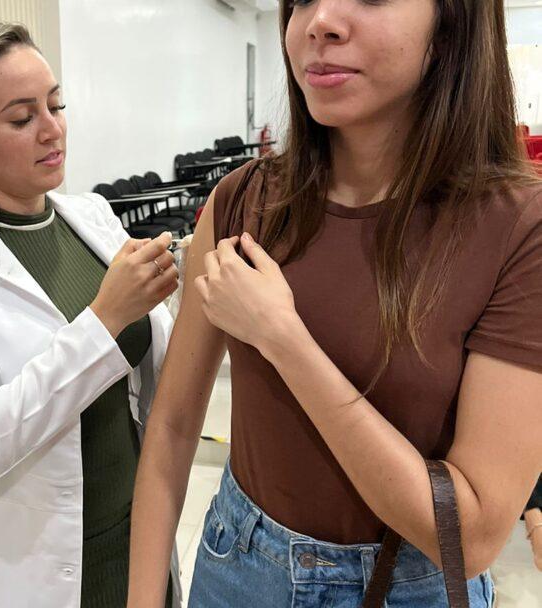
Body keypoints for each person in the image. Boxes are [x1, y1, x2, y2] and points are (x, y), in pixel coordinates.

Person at [128, 1, 542, 607]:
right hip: (238, 567)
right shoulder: (243, 200)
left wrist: (282, 338)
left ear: (453, 19)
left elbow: (470, 536)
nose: (320, 20)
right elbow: (171, 428)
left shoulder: (516, 228)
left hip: (411, 587)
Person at [0, 22, 181, 608]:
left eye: (56, 105)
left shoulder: (91, 218)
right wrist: (104, 318)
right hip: (33, 566)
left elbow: (153, 372)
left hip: (136, 534)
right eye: (22, 118)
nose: (52, 129)